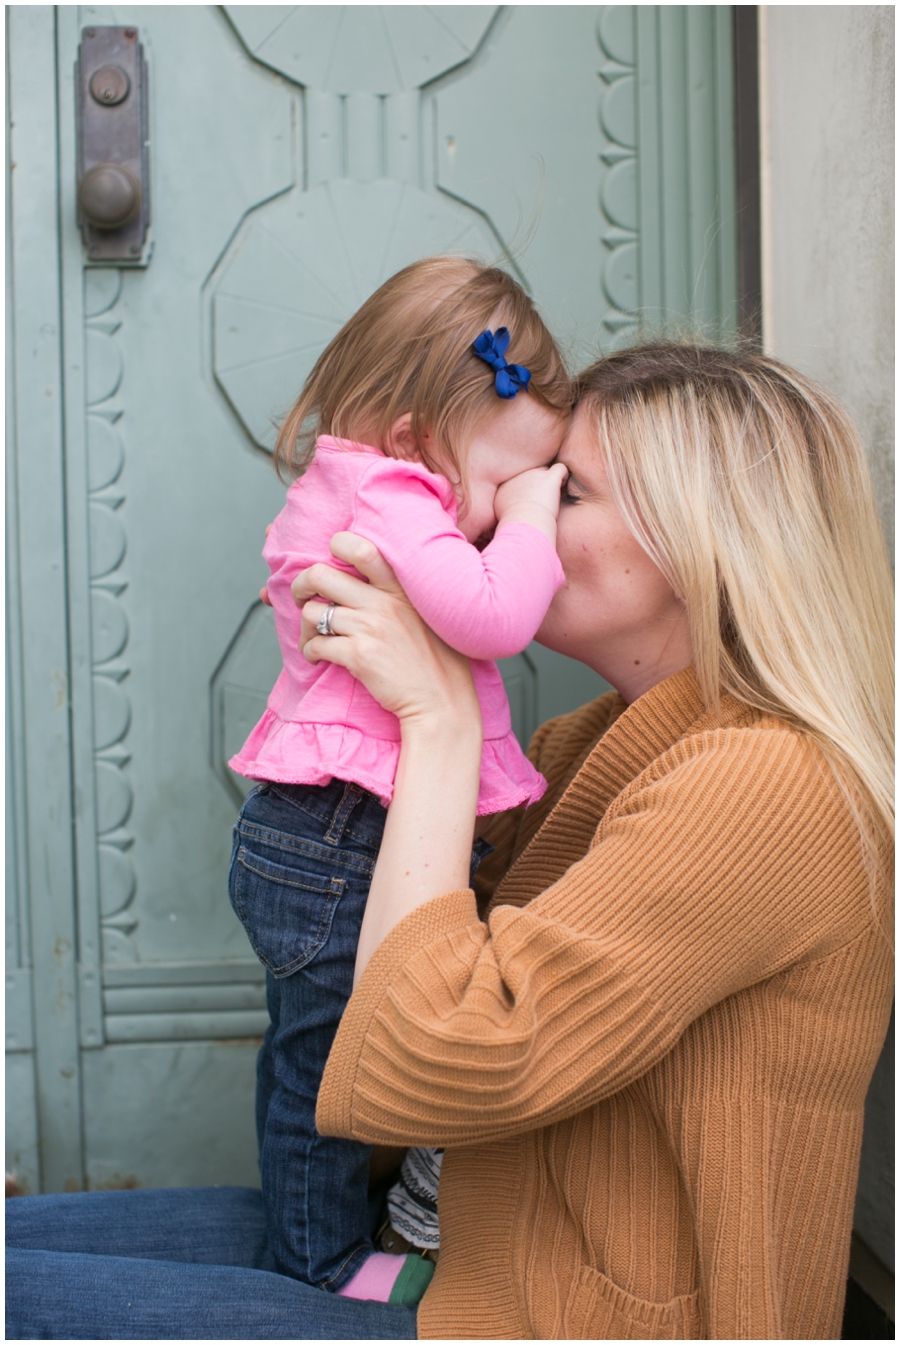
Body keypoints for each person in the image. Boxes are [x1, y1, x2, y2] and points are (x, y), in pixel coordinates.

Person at [6, 342, 893, 1340]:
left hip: (541, 1316)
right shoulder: (593, 745)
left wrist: (437, 721)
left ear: (702, 541)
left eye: (564, 493)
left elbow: (426, 1059)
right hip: (438, 1241)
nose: (500, 521)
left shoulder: (765, 787)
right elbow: (357, 946)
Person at [225, 256, 572, 1305]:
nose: (494, 515)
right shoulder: (388, 490)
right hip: (335, 836)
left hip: (332, 832)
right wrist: (534, 517)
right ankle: (318, 1267)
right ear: (422, 440)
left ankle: (344, 1234)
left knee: (329, 1051)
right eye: (498, 479)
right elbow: (493, 615)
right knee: (323, 1064)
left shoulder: (371, 482)